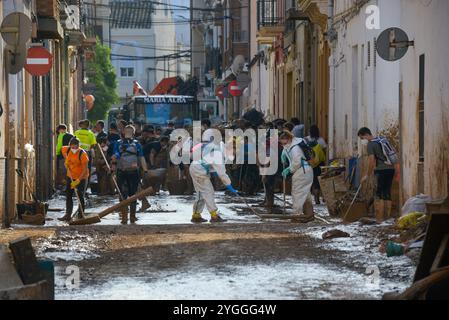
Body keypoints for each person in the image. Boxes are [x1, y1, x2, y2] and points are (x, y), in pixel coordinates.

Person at [189, 130, 237, 223]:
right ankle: (214, 216)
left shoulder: (211, 146)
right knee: (208, 192)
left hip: (195, 168)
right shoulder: (218, 153)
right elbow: (222, 174)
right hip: (199, 170)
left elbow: (192, 154)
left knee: (201, 193)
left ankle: (196, 215)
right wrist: (229, 185)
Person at [112, 125, 149, 224]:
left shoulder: (123, 143)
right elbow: (141, 158)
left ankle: (128, 217)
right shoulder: (133, 144)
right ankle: (129, 217)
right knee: (128, 195)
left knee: (127, 195)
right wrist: (145, 170)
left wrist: (145, 171)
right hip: (128, 172)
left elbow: (115, 157)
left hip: (126, 172)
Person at [358, 127, 395, 223]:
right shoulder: (381, 139)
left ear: (366, 134)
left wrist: (367, 175)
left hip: (381, 170)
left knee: (379, 195)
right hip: (391, 169)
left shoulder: (371, 144)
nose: (363, 141)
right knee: (387, 193)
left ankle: (380, 219)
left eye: (362, 138)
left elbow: (371, 161)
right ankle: (387, 219)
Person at [280, 131, 314, 222]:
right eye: (282, 144)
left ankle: (297, 215)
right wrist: (284, 153)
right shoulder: (295, 144)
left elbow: (297, 162)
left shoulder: (295, 148)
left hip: (301, 171)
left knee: (297, 193)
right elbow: (288, 149)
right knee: (306, 194)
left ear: (290, 139)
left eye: (285, 143)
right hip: (306, 170)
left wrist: (289, 170)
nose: (284, 145)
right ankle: (309, 215)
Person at [58, 138, 90, 221]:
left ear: (78, 146)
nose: (74, 149)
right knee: (68, 195)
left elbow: (85, 169)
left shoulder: (82, 154)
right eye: (72, 147)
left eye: (75, 147)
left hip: (82, 177)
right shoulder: (67, 150)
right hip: (71, 176)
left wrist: (78, 180)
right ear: (70, 146)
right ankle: (68, 214)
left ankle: (81, 215)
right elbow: (62, 149)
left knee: (80, 195)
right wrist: (66, 163)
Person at [305, 125, 327, 204]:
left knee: (309, 180)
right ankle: (317, 199)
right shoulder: (321, 140)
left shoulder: (305, 139)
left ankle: (309, 198)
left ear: (309, 131)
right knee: (317, 181)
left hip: (308, 163)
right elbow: (325, 151)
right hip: (319, 163)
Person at [56, 124, 73, 189]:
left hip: (62, 155)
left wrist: (57, 153)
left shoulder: (61, 135)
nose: (59, 131)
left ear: (61, 129)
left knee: (63, 170)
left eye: (59, 130)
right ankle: (67, 184)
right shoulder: (70, 135)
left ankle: (65, 185)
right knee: (67, 170)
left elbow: (59, 146)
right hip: (69, 155)